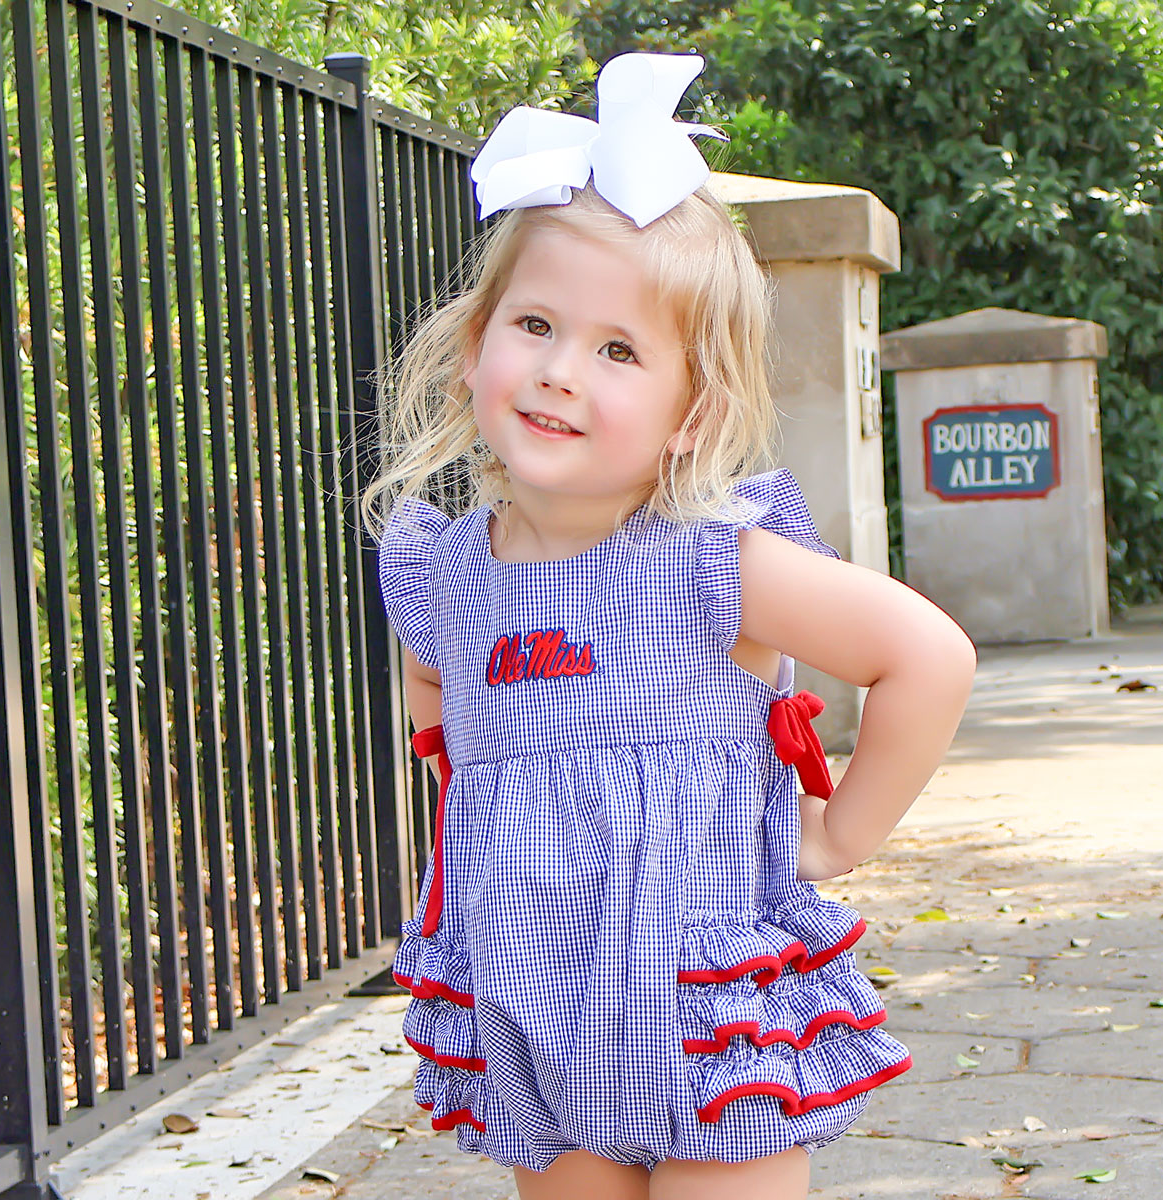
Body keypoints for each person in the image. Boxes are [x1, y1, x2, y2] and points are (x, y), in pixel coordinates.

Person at [365, 51, 975, 1200]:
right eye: (535, 324)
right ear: (474, 347)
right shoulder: (449, 573)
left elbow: (927, 657)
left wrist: (838, 838)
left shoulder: (710, 560)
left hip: (705, 1026)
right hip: (536, 1017)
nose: (559, 371)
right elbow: (438, 691)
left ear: (694, 414)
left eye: (618, 350)